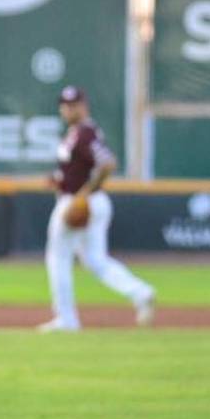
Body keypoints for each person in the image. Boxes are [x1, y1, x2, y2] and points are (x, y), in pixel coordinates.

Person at [39, 85, 155, 332]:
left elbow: (108, 163)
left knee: (58, 258)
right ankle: (140, 292)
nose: (69, 109)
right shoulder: (76, 134)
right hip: (90, 200)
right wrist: (59, 180)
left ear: (84, 106)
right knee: (95, 260)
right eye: (65, 105)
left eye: (73, 105)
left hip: (80, 201)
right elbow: (80, 169)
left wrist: (84, 193)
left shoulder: (84, 133)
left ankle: (66, 319)